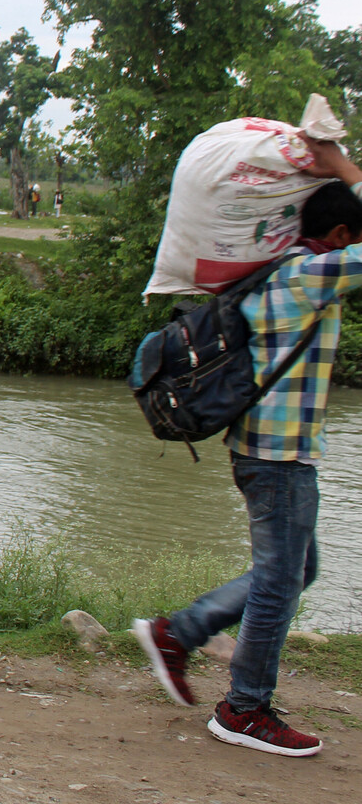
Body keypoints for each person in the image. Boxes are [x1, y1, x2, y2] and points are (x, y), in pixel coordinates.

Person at [134, 152, 362, 758]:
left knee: (294, 572)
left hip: (264, 452)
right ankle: (243, 708)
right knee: (280, 582)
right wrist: (347, 168)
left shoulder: (280, 271)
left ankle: (178, 634)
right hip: (280, 460)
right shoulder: (308, 277)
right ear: (339, 236)